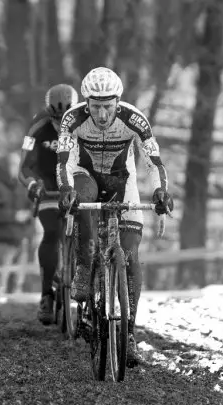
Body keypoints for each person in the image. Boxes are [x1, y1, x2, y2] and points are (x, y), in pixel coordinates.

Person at [56, 67, 174, 367]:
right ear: (87, 103)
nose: (103, 114)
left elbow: (153, 161)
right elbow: (64, 163)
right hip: (86, 175)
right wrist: (66, 190)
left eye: (108, 106)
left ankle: (129, 333)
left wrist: (160, 192)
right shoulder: (73, 118)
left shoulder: (134, 119)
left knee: (131, 255)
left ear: (118, 102)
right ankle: (84, 267)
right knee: (82, 201)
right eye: (96, 107)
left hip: (123, 181)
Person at [17, 83, 79, 324]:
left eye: (64, 121)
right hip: (48, 187)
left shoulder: (85, 123)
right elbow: (23, 166)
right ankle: (46, 294)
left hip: (73, 185)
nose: (58, 126)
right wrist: (33, 185)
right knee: (52, 231)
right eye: (55, 120)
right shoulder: (37, 126)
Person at [0, 153, 33, 295]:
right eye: (13, 165)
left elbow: (30, 210)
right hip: (1, 244)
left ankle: (11, 315)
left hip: (20, 242)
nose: (16, 168)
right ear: (4, 167)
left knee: (16, 285)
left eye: (18, 165)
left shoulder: (21, 188)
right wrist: (15, 216)